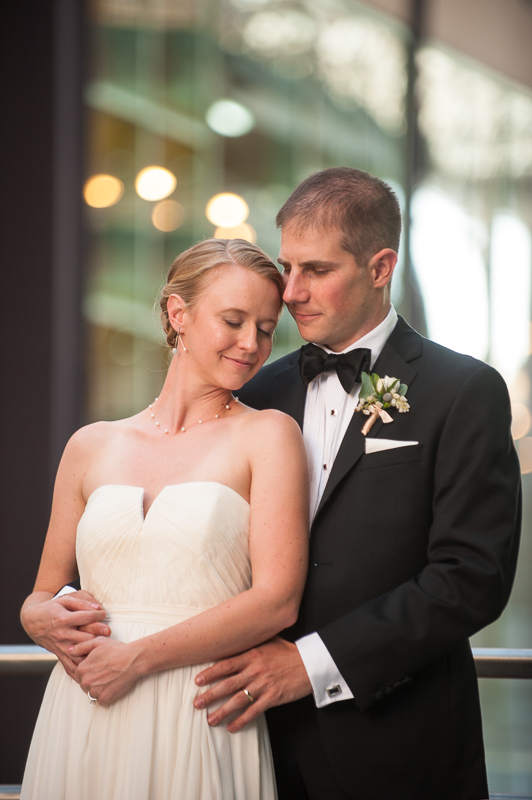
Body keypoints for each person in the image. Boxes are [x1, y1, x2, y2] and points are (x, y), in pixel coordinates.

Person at [191, 168, 522, 800]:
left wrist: (312, 665)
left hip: (399, 748)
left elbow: (470, 578)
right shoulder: (255, 392)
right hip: (243, 740)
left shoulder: (464, 392)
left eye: (315, 270)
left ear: (380, 267)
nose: (290, 292)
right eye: (285, 267)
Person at [19, 238, 310, 800]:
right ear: (179, 314)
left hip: (197, 708)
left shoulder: (269, 435)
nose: (252, 344)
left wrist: (134, 660)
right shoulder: (89, 444)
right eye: (233, 320)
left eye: (267, 328)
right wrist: (35, 619)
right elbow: (42, 593)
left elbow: (278, 600)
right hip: (83, 705)